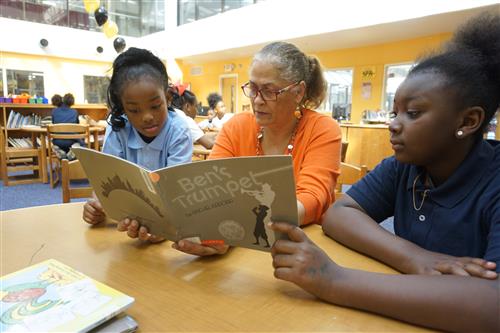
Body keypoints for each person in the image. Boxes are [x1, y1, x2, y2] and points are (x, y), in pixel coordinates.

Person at [271, 13, 500, 332]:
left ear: (467, 121)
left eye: (414, 113)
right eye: (395, 112)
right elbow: (340, 213)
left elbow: (493, 305)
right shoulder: (405, 166)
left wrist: (335, 280)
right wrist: (415, 257)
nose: (393, 124)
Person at [169, 41, 342, 256]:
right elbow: (211, 191)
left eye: (269, 91)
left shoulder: (323, 129)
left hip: (302, 251)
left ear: (298, 92)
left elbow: (311, 200)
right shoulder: (236, 126)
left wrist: (234, 229)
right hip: (245, 251)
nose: (257, 101)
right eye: (252, 89)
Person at [82, 47, 193, 242]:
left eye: (155, 105)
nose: (147, 117)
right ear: (122, 107)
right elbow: (105, 182)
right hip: (125, 230)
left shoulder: (179, 131)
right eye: (133, 110)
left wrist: (162, 226)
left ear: (167, 97)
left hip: (170, 232)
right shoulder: (118, 129)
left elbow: (176, 193)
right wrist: (97, 206)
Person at [170, 85, 217, 149]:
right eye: (196, 106)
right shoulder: (185, 120)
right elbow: (209, 144)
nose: (197, 111)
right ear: (187, 106)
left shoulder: (172, 113)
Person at [51, 93, 81, 160]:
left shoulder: (54, 111)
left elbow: (53, 125)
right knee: (81, 142)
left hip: (57, 141)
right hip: (71, 141)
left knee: (56, 144)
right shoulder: (74, 112)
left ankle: (59, 150)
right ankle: (74, 150)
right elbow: (77, 127)